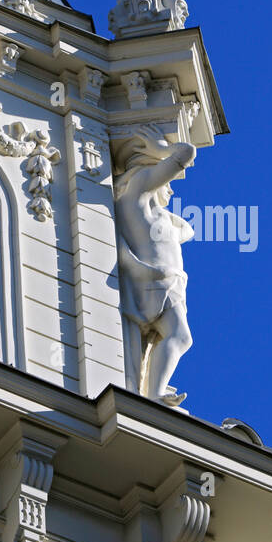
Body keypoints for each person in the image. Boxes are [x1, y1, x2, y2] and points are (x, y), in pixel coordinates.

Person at [113, 129, 196, 406]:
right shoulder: (137, 191)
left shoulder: (154, 210)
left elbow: (188, 232)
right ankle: (155, 394)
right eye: (165, 180)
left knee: (179, 338)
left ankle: (153, 392)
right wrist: (162, 150)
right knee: (181, 337)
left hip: (166, 282)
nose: (171, 187)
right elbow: (186, 153)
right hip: (155, 282)